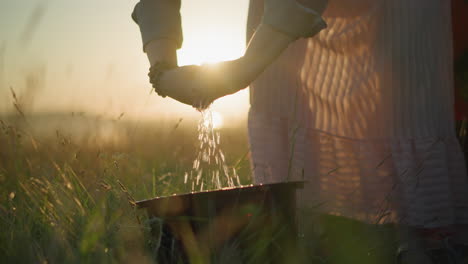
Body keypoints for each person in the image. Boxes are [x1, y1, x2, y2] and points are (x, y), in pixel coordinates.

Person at [132, 0, 468, 263]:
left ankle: (419, 244)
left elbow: (291, 8)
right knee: (288, 96)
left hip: (392, 16)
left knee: (402, 105)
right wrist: (162, 68)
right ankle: (313, 237)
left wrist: (243, 69)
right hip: (281, 22)